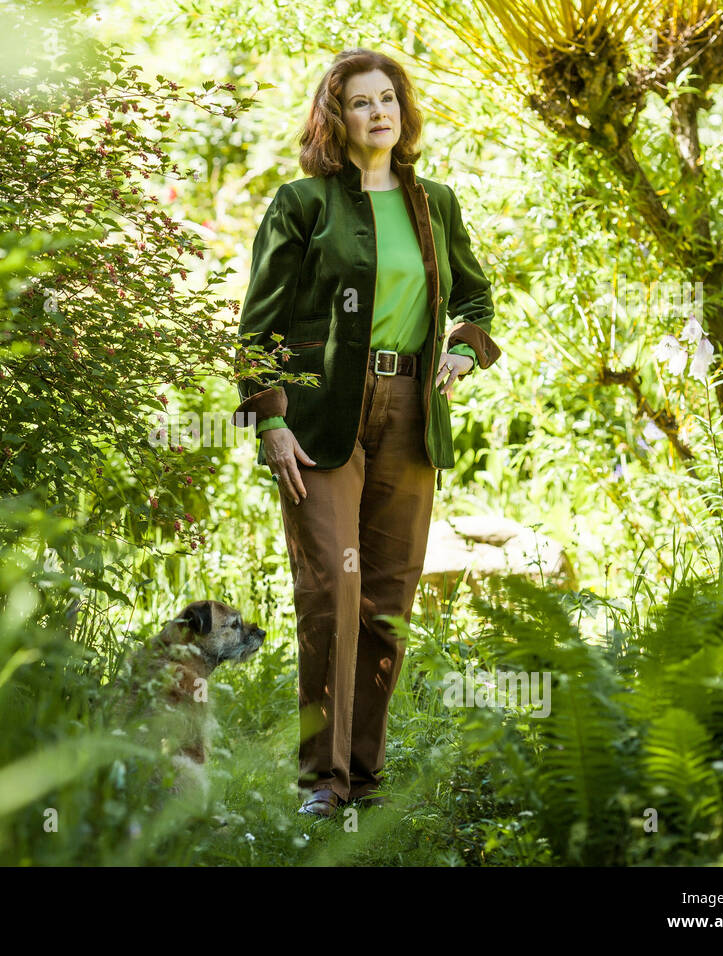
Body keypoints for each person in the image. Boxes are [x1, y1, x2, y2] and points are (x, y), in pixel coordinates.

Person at [230, 48, 503, 816]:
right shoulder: (303, 203)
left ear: (403, 112)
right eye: (360, 101)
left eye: (388, 99)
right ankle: (323, 781)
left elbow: (477, 300)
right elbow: (260, 325)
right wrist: (270, 419)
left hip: (413, 417)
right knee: (331, 590)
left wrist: (459, 351)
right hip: (321, 422)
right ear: (336, 116)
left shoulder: (437, 204)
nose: (378, 112)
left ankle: (366, 778)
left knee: (388, 598)